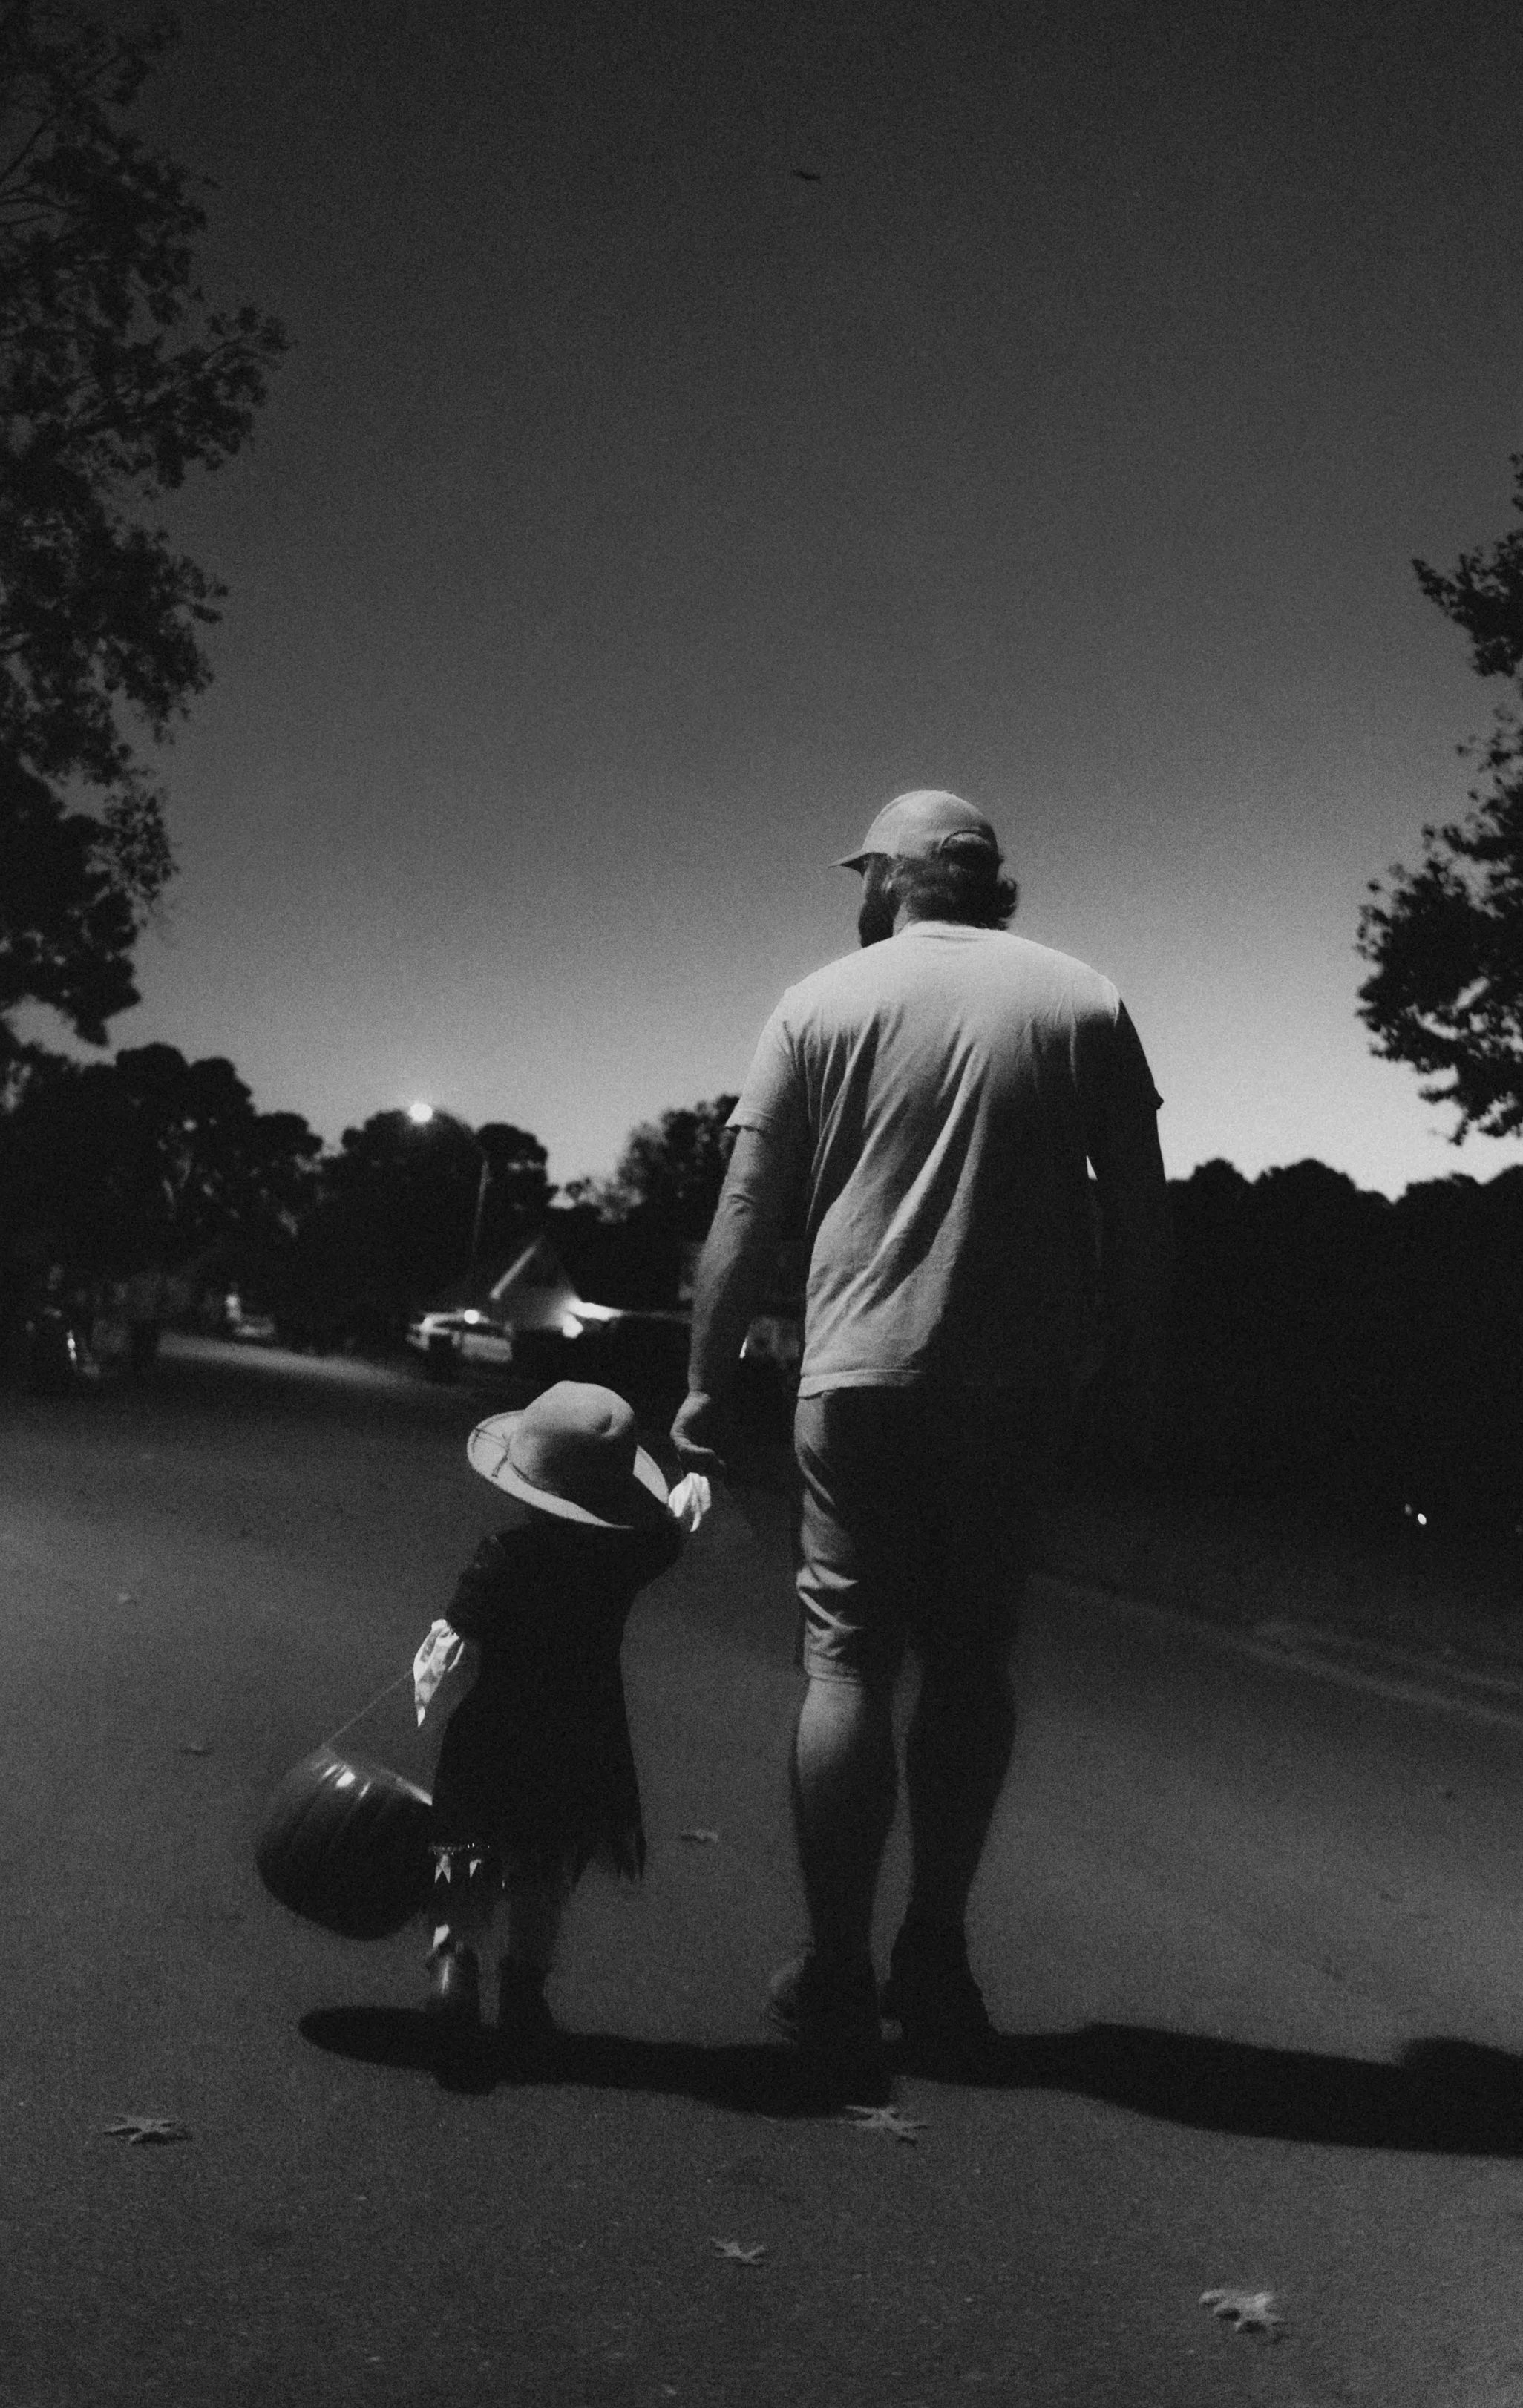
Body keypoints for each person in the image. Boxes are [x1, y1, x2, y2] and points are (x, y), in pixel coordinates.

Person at [672, 788, 1170, 2090]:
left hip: (857, 1371)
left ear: (892, 878)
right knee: (969, 1657)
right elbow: (1146, 1213)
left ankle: (836, 1972)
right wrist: (1123, 1360)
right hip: (1015, 1386)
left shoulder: (820, 1003)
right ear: (989, 882)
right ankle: (935, 1958)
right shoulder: (1085, 1000)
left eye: (869, 873)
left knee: (844, 1660)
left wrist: (704, 1373)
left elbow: (748, 1202)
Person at [413, 1381, 708, 2062]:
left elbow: (453, 1646)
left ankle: (454, 1964)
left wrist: (430, 1693)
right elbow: (672, 1531)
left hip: (496, 1729)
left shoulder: (503, 1556)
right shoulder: (629, 1559)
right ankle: (525, 1990)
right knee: (547, 1865)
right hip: (583, 1732)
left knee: (466, 1854)